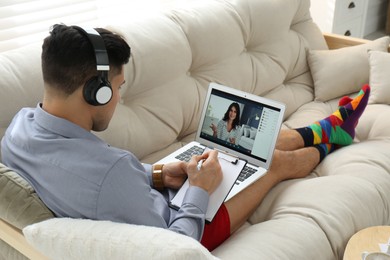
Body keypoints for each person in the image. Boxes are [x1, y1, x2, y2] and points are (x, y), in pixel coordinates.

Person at [0, 24, 371, 251]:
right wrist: (199, 188)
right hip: (191, 226)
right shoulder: (109, 174)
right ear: (95, 91)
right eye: (117, 87)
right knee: (266, 163)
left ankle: (322, 127)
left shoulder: (20, 127)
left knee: (241, 147)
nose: (119, 97)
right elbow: (179, 242)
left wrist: (159, 175)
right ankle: (329, 139)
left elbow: (102, 181)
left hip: (146, 197)